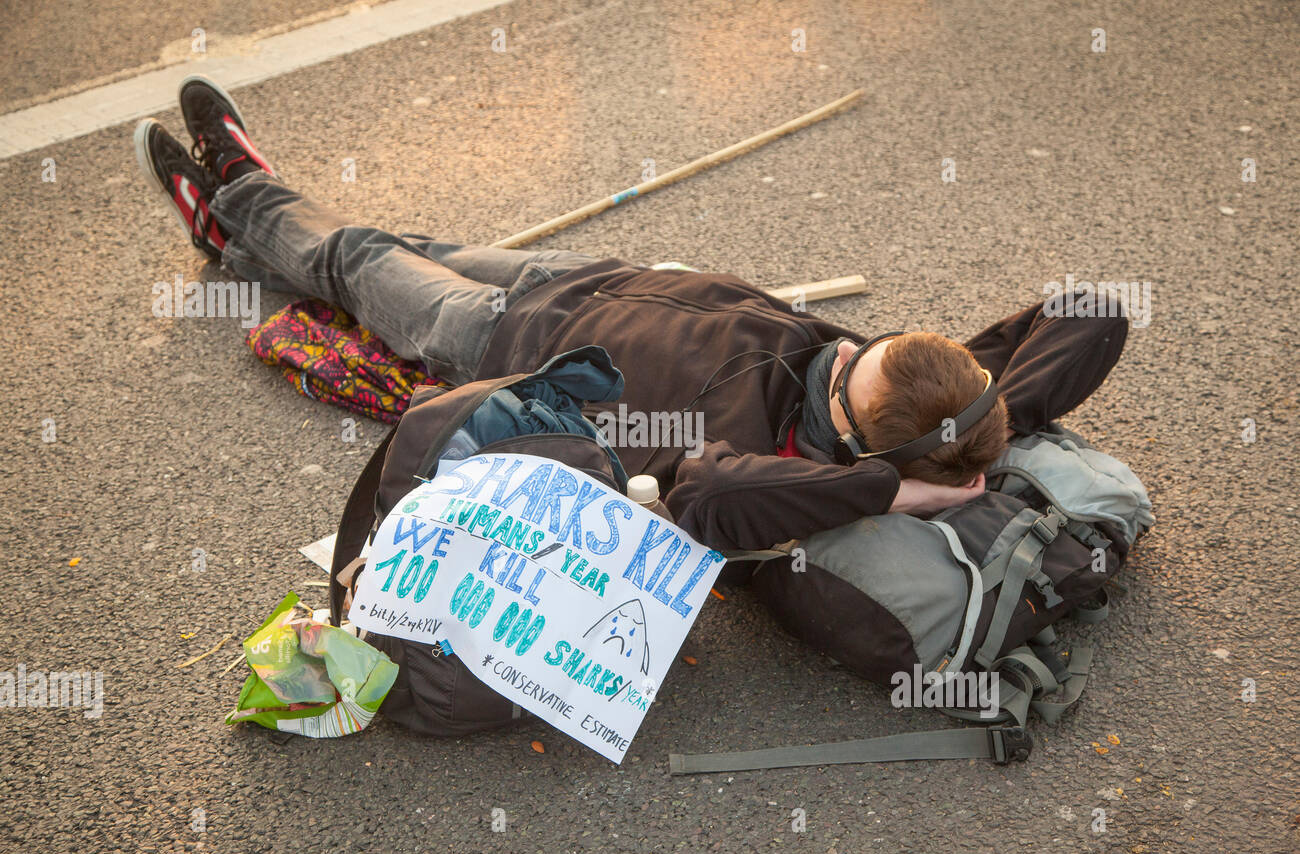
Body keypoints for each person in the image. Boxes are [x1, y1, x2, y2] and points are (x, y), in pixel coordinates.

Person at [134, 76, 1127, 553]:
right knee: (397, 244)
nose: (838, 352)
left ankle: (240, 188)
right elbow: (1098, 310)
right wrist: (993, 417)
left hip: (505, 340)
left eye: (842, 379)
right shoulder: (926, 399)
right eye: (860, 349)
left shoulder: (783, 468)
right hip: (582, 276)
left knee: (354, 263)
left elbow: (698, 497)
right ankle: (228, 234)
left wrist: (895, 493)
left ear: (860, 446)